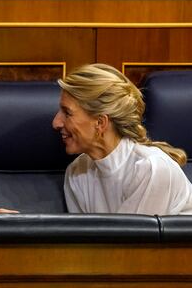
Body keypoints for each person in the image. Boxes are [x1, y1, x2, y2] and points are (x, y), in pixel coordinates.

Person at [52, 63, 192, 215]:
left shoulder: (152, 169)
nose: (56, 123)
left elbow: (132, 238)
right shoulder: (76, 172)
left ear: (100, 122)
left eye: (67, 113)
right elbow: (85, 237)